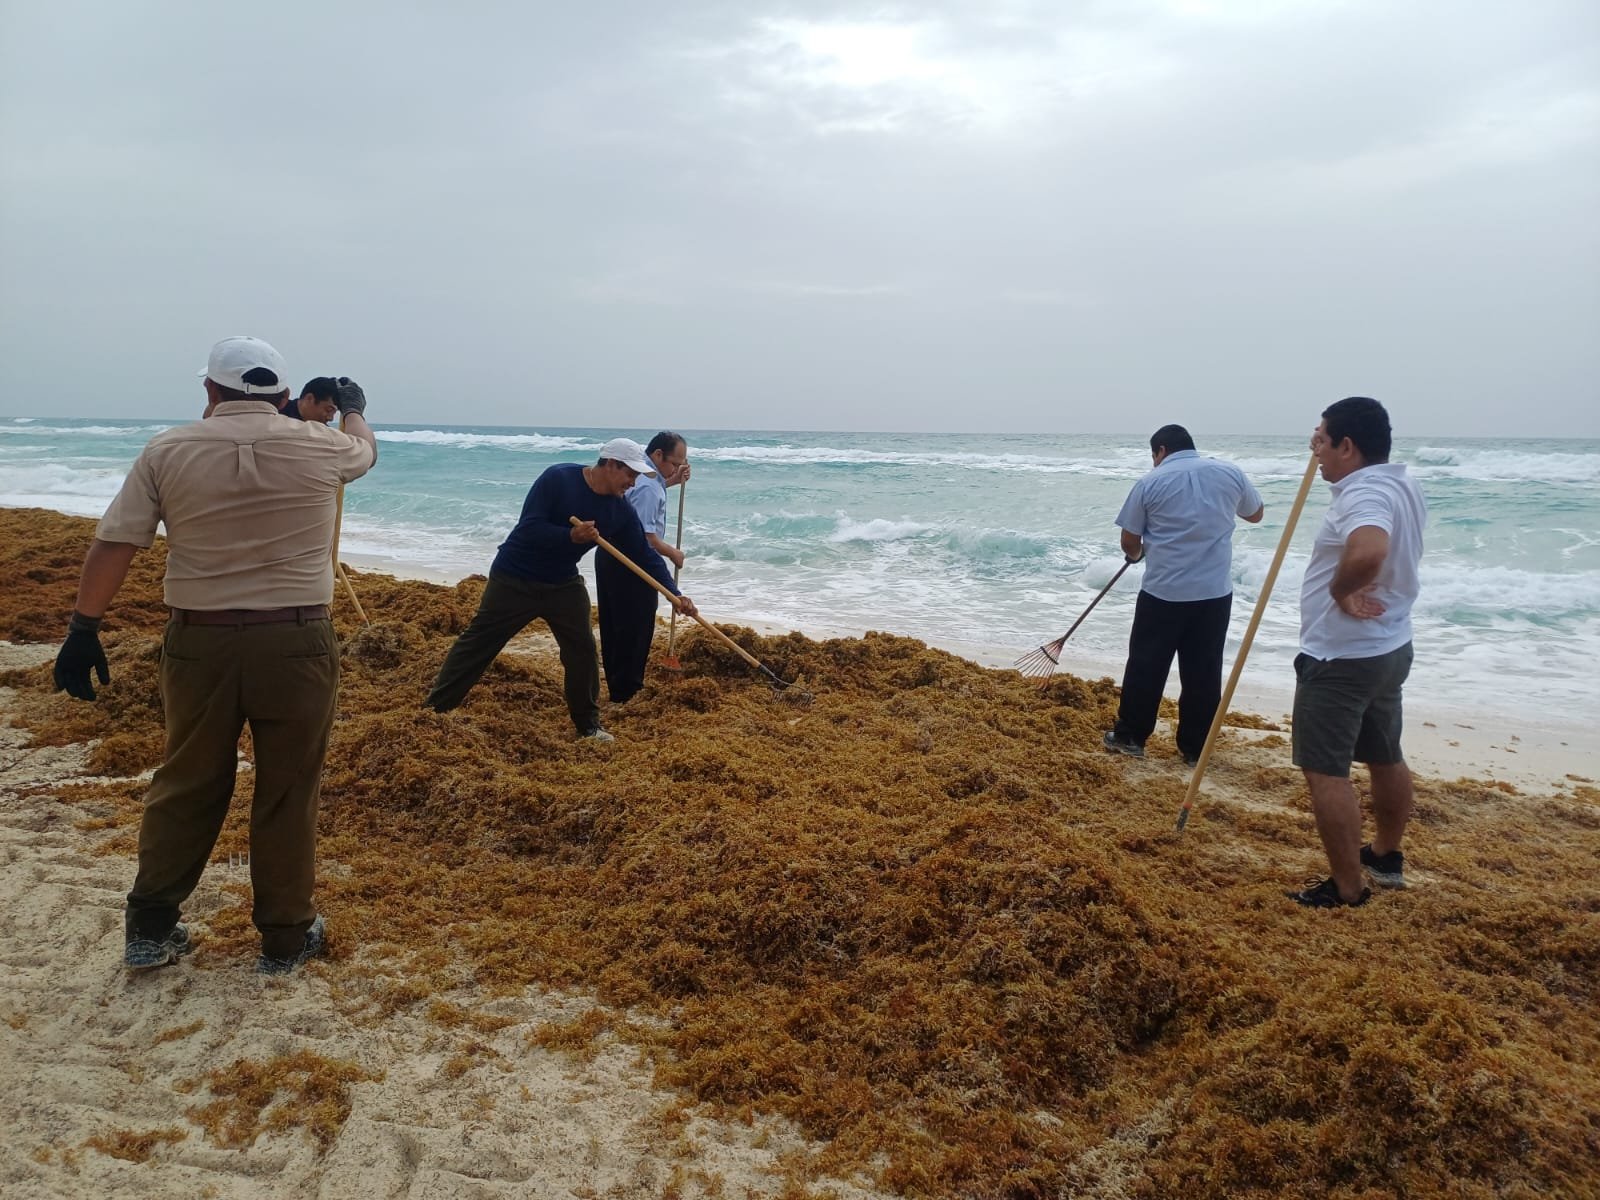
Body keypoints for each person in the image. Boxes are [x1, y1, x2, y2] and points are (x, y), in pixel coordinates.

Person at [51, 335, 377, 973]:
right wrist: (353, 406)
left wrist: (83, 628)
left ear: (209, 392)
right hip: (297, 640)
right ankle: (285, 937)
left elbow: (117, 543)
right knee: (288, 789)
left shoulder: (168, 449)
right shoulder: (324, 446)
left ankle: (150, 928)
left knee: (187, 781)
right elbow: (364, 451)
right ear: (284, 396)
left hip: (198, 640)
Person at [423, 438, 697, 739]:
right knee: (478, 643)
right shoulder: (558, 478)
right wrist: (570, 536)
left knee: (582, 651)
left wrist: (674, 593)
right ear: (610, 465)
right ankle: (434, 711)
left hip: (563, 584)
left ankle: (589, 727)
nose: (632, 484)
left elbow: (643, 554)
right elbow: (529, 528)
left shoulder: (619, 510)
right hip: (515, 577)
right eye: (629, 475)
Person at [1287, 396, 1427, 908]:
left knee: (1326, 769)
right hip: (1389, 646)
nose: (1315, 450)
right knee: (1385, 753)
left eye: (1322, 440)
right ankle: (1385, 855)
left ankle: (1348, 887)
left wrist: (1340, 592)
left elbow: (1369, 550)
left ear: (1348, 445)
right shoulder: (1400, 483)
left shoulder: (1363, 493)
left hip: (1341, 656)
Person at [1103, 425, 1264, 764]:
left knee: (1146, 665)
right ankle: (1195, 749)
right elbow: (1255, 514)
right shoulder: (1229, 472)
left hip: (1164, 592)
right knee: (1203, 671)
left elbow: (1129, 542)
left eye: (1153, 457)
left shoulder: (1150, 482)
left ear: (1160, 451)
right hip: (1214, 594)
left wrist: (1138, 554)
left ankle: (1130, 736)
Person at [596, 431, 690, 703]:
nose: (677, 468)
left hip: (610, 556)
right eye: (674, 463)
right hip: (631, 563)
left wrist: (671, 480)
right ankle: (627, 691)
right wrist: (673, 553)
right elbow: (647, 540)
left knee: (614, 624)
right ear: (658, 454)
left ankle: (618, 687)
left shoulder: (643, 479)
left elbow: (644, 495)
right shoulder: (648, 486)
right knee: (634, 627)